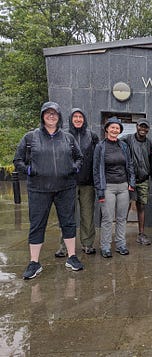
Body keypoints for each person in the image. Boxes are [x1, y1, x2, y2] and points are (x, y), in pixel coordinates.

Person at [13, 101, 84, 279]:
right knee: (37, 224)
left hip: (65, 188)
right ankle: (34, 262)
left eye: (55, 113)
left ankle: (72, 257)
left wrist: (74, 168)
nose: (51, 116)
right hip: (39, 189)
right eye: (48, 113)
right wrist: (30, 170)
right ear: (43, 116)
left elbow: (79, 157)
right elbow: (18, 160)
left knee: (68, 222)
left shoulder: (68, 138)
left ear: (59, 117)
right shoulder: (30, 137)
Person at [55, 108, 99, 257]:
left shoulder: (92, 136)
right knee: (67, 215)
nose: (78, 119)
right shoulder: (64, 136)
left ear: (84, 119)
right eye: (75, 117)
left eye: (81, 116)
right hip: (68, 183)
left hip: (87, 183)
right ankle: (64, 246)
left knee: (87, 215)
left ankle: (87, 244)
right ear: (70, 119)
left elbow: (97, 159)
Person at [93, 117, 135, 258]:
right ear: (107, 129)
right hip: (108, 187)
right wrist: (99, 189)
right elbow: (96, 170)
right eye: (112, 127)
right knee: (107, 218)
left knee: (122, 218)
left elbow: (129, 165)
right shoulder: (100, 147)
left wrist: (131, 183)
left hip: (123, 186)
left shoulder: (123, 146)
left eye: (117, 128)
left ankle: (120, 244)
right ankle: (105, 246)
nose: (115, 130)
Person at [122, 119, 152, 245]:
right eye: (141, 126)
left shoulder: (150, 143)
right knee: (125, 207)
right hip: (129, 179)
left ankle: (141, 234)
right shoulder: (127, 139)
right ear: (136, 126)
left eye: (145, 127)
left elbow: (151, 160)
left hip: (143, 180)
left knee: (142, 207)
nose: (143, 129)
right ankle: (120, 235)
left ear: (148, 129)